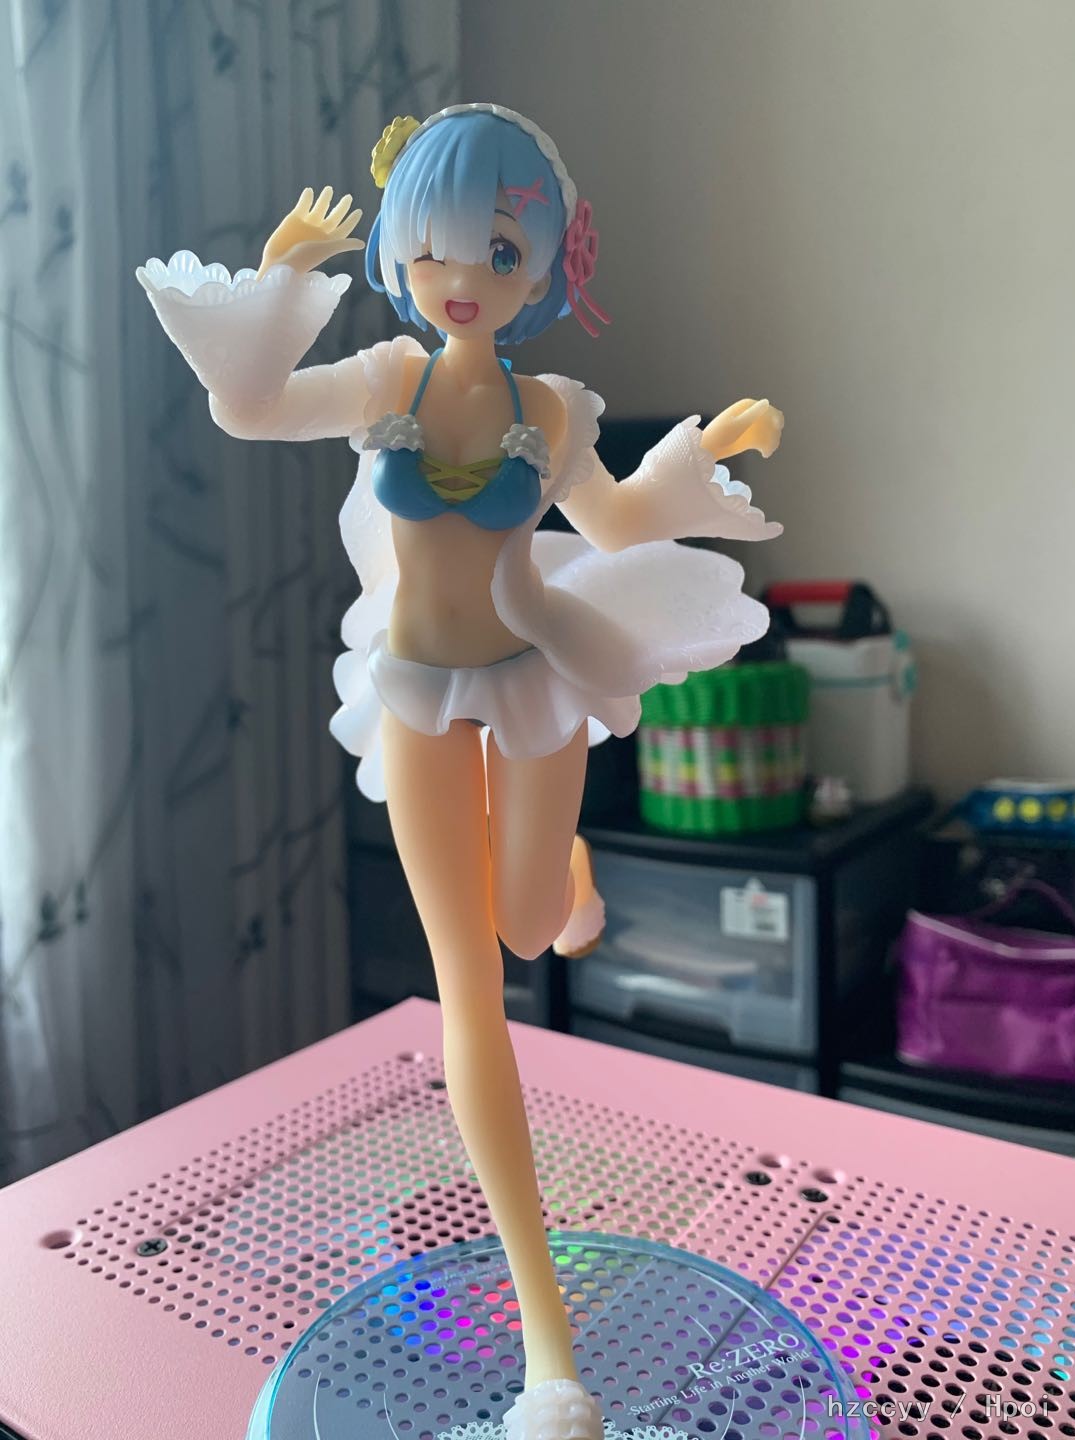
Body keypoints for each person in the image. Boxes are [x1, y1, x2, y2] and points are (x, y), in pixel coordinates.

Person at [137, 102, 784, 1440]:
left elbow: (614, 521)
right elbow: (250, 408)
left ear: (542, 266)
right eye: (433, 247)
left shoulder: (549, 408)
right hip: (420, 705)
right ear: (398, 253)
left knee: (531, 923)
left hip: (532, 680)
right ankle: (552, 1354)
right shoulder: (387, 379)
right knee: (470, 999)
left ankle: (569, 868)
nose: (463, 278)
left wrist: (701, 460)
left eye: (498, 249)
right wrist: (280, 280)